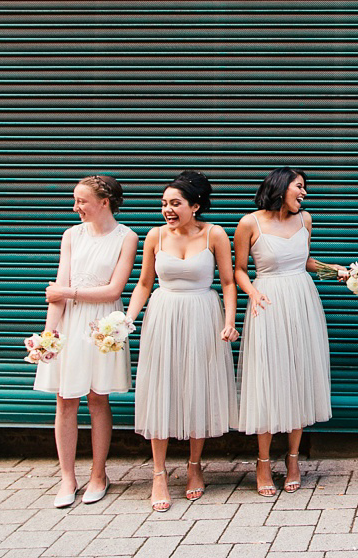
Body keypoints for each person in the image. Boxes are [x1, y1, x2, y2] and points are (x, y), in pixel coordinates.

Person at [126, 171, 239, 512]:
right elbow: (144, 283)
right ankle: (159, 473)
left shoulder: (215, 234)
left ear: (196, 205)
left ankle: (194, 465)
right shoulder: (154, 236)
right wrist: (126, 320)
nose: (167, 210)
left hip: (204, 313)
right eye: (164, 204)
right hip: (164, 314)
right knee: (162, 388)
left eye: (175, 203)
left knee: (197, 388)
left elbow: (229, 282)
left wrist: (230, 322)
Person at [234, 167, 348, 497]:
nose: (304, 193)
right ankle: (263, 461)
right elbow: (239, 269)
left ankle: (294, 459)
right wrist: (252, 292)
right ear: (281, 187)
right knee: (269, 380)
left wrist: (338, 271)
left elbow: (306, 261)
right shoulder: (249, 223)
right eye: (300, 187)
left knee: (298, 376)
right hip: (267, 303)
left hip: (302, 300)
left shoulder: (305, 220)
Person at [34, 175, 138, 508]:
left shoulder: (127, 237)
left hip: (102, 323)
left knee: (97, 398)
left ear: (104, 202)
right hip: (70, 321)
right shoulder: (71, 235)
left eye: (81, 201)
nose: (75, 206)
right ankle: (67, 478)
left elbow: (114, 290)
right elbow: (58, 288)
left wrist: (67, 292)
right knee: (65, 400)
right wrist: (49, 337)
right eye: (76, 200)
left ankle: (98, 474)